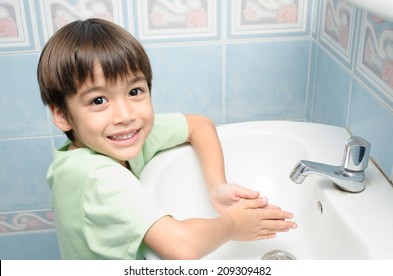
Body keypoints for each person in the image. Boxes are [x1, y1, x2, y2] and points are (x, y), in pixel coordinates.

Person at [37, 18, 296, 260]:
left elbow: (200, 125)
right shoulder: (95, 177)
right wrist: (233, 225)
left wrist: (217, 187)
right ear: (62, 115)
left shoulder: (122, 136)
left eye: (135, 91)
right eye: (98, 100)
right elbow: (183, 247)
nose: (125, 115)